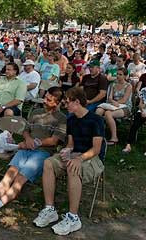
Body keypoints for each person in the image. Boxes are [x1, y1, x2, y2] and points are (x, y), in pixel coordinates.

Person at [0, 86, 66, 223]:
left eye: (49, 100)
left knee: (19, 180)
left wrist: (35, 143)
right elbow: (26, 130)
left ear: (58, 102)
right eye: (45, 97)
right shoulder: (36, 112)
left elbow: (54, 140)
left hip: (42, 153)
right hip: (26, 148)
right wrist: (28, 139)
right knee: (10, 173)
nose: (44, 100)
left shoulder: (61, 118)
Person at [32, 87, 104, 235]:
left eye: (67, 102)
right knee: (49, 162)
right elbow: (70, 143)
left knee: (73, 166)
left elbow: (96, 149)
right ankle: (50, 209)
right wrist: (67, 150)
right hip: (75, 155)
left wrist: (79, 158)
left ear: (77, 102)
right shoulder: (70, 120)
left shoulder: (96, 120)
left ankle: (73, 217)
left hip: (91, 158)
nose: (65, 105)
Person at [95, 67, 132, 145]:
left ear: (125, 76)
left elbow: (124, 100)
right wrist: (112, 101)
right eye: (117, 74)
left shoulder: (129, 86)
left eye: (120, 74)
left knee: (108, 113)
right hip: (112, 104)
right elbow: (110, 97)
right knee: (99, 110)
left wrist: (116, 102)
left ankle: (114, 138)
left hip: (125, 107)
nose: (118, 76)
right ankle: (96, 134)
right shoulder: (113, 84)